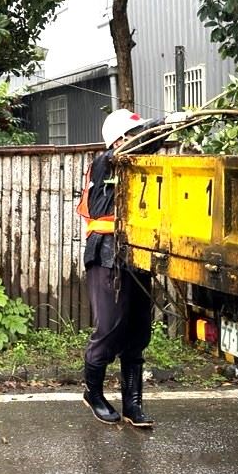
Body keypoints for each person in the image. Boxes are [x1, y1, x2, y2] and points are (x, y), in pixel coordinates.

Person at [79, 107, 155, 430]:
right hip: (106, 254)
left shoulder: (140, 167)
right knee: (110, 326)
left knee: (138, 329)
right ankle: (92, 392)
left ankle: (132, 405)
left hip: (137, 255)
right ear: (119, 141)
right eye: (134, 136)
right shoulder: (105, 162)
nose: (141, 142)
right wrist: (167, 122)